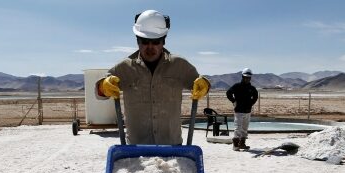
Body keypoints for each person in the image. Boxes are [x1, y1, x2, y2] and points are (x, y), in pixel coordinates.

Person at [96, 10, 210, 145]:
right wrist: (103, 86)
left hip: (172, 148)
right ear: (137, 41)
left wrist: (205, 85)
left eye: (155, 42)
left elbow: (201, 85)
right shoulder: (124, 68)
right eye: (145, 41)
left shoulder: (180, 65)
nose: (150, 47)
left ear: (163, 41)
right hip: (136, 150)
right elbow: (99, 94)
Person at [226, 68, 258, 151]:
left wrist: (251, 103)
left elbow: (255, 96)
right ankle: (235, 144)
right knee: (238, 128)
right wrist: (233, 101)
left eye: (248, 77)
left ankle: (242, 144)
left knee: (244, 128)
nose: (247, 79)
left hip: (247, 111)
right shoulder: (237, 86)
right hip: (239, 111)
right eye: (245, 77)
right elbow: (228, 93)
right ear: (242, 77)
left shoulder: (252, 88)